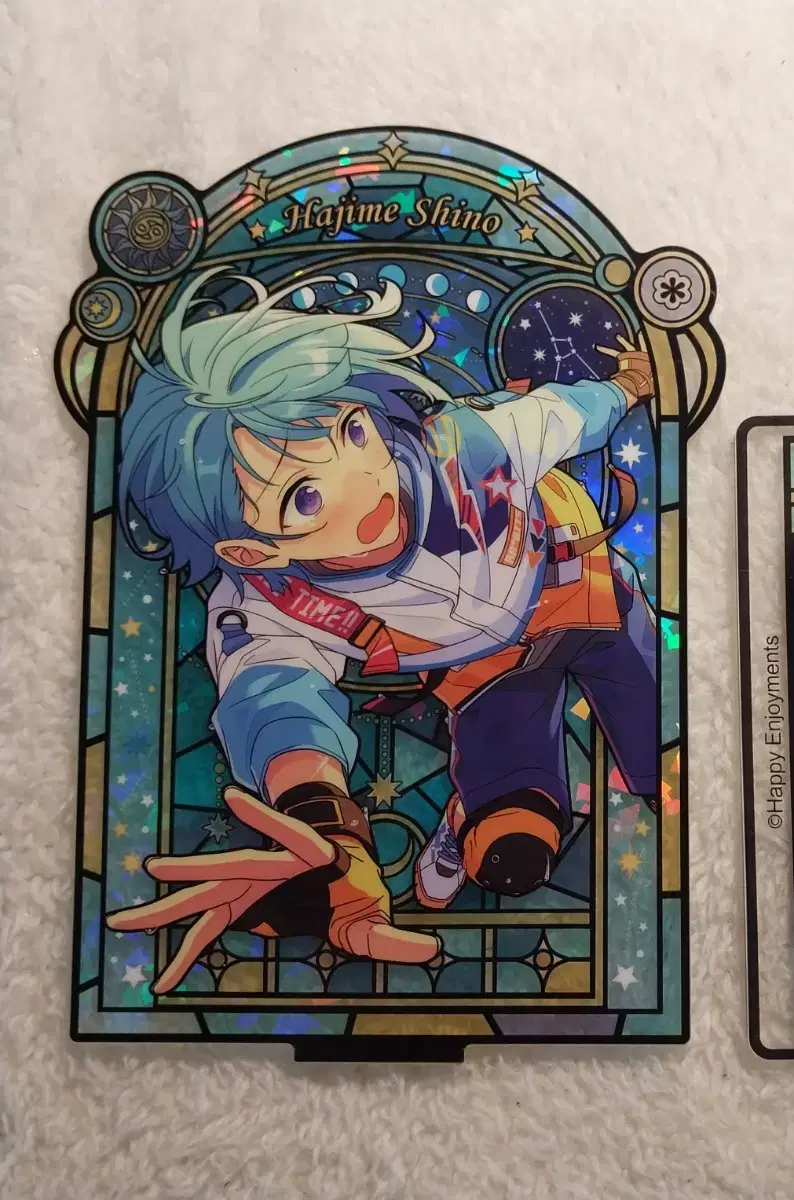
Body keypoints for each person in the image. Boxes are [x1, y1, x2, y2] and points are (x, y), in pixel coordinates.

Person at [106, 267, 658, 992]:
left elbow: (565, 413)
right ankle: (479, 815)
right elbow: (275, 697)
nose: (366, 483)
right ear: (249, 551)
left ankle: (665, 774)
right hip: (487, 674)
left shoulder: (470, 444)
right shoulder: (272, 602)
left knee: (664, 738)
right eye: (304, 497)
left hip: (587, 597)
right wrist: (323, 826)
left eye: (352, 430)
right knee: (512, 842)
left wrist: (628, 388)